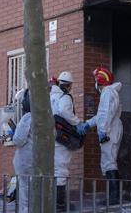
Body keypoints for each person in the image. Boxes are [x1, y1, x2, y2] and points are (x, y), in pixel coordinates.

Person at [81, 66, 123, 205]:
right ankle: (114, 196)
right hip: (112, 128)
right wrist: (88, 123)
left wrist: (102, 131)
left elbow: (104, 114)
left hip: (110, 130)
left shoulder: (107, 93)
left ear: (100, 80)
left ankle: (114, 198)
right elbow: (101, 116)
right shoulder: (110, 92)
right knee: (109, 161)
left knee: (109, 162)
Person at [51, 71, 81, 207]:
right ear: (69, 85)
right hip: (61, 136)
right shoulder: (65, 97)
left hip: (50, 136)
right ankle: (60, 203)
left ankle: (53, 201)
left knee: (54, 168)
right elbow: (64, 112)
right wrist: (77, 123)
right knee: (61, 168)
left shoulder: (50, 95)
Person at [9, 89, 33, 213]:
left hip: (25, 160)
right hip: (39, 160)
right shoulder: (47, 116)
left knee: (25, 192)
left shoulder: (27, 117)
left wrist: (13, 133)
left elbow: (18, 139)